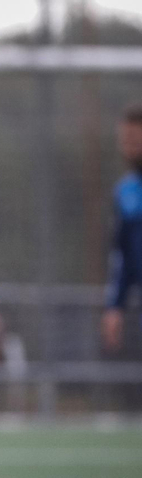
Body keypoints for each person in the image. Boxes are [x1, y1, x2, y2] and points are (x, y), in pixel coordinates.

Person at [102, 105, 142, 353]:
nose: (127, 145)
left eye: (134, 139)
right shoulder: (125, 192)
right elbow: (123, 255)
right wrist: (114, 307)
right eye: (124, 139)